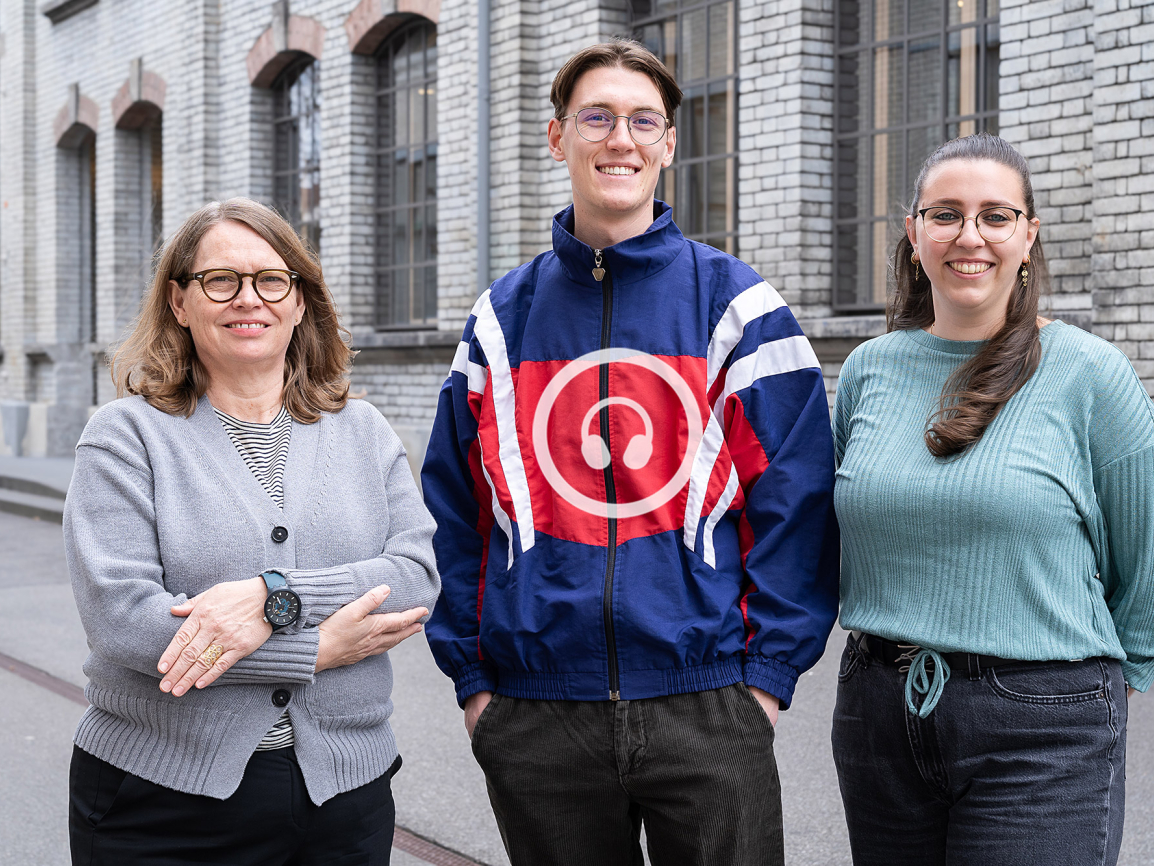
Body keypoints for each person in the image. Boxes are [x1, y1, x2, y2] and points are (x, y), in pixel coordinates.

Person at [422, 39, 839, 865]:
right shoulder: (502, 318)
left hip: (708, 703)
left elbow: (797, 498)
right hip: (539, 711)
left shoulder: (739, 308)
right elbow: (456, 505)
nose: (622, 139)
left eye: (644, 120)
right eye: (598, 118)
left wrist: (763, 681)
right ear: (557, 137)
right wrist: (478, 687)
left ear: (669, 144)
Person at [830, 132, 1154, 866]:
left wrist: (1078, 706)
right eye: (946, 215)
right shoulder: (868, 371)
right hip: (877, 717)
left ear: (1028, 236)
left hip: (1041, 730)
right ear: (914, 233)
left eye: (996, 216)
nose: (971, 236)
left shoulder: (1091, 374)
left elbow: (1152, 581)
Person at [64, 198, 440, 865]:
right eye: (221, 281)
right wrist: (314, 650)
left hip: (345, 796)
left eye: (271, 280)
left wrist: (272, 598)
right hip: (162, 803)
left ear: (300, 301)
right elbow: (124, 619)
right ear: (180, 301)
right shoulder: (126, 437)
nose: (249, 300)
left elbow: (414, 574)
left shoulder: (362, 430)